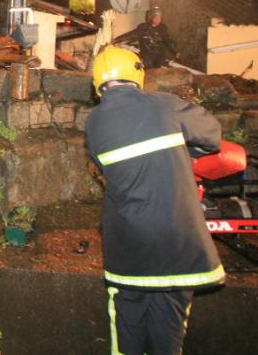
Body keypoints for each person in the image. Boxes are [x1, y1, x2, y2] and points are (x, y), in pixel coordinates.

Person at [85, 46, 225, 355]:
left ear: (97, 83)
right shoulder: (165, 106)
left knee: (126, 332)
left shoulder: (94, 124)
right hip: (177, 245)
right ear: (137, 74)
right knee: (169, 333)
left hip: (129, 250)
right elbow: (213, 134)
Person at [113, 6, 178, 69]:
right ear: (151, 18)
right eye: (156, 18)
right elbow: (131, 34)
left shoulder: (162, 28)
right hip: (148, 56)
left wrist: (175, 52)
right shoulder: (144, 28)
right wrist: (117, 40)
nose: (158, 20)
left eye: (159, 18)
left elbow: (167, 41)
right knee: (147, 66)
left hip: (159, 57)